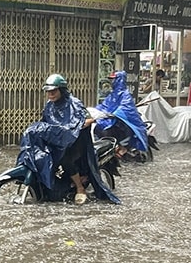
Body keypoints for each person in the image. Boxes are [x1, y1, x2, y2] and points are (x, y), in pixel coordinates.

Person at [17, 73, 119, 205]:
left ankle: (80, 188)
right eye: (48, 91)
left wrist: (78, 126)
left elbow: (87, 119)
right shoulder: (49, 105)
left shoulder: (74, 104)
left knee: (66, 159)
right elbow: (45, 123)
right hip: (58, 141)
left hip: (76, 143)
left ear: (61, 90)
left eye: (53, 91)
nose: (50, 94)